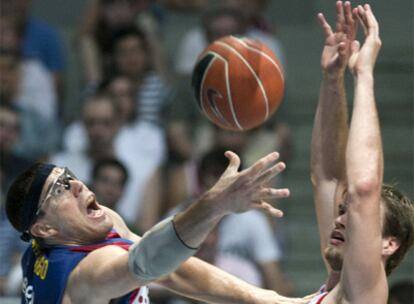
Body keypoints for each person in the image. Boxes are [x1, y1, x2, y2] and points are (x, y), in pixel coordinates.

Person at [6, 151, 291, 303]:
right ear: (44, 229)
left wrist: (265, 298)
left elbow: (171, 270)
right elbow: (145, 263)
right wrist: (214, 205)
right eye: (59, 189)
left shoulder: (82, 227)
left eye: (69, 177)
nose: (78, 186)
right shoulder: (84, 273)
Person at [307, 2, 414, 303]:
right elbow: (326, 176)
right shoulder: (330, 293)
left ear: (388, 244)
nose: (340, 219)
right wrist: (333, 79)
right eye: (342, 212)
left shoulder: (364, 295)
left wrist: (364, 75)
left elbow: (364, 189)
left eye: (353, 215)